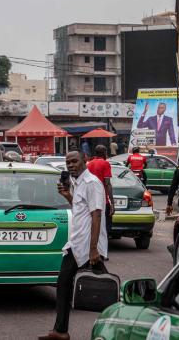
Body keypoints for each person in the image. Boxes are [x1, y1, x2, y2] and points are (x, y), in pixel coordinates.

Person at [39, 151, 107, 340]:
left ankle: (61, 331)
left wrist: (94, 249)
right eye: (68, 162)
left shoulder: (92, 183)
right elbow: (79, 208)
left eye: (74, 161)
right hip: (77, 243)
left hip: (87, 245)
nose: (70, 165)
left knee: (103, 290)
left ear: (85, 160)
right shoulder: (77, 183)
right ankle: (60, 331)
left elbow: (97, 215)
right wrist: (67, 195)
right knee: (68, 285)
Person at [87, 145, 115, 237]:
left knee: (92, 225)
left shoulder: (89, 164)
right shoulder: (105, 163)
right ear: (104, 152)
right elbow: (107, 183)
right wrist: (112, 203)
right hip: (103, 200)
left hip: (90, 200)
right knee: (105, 227)